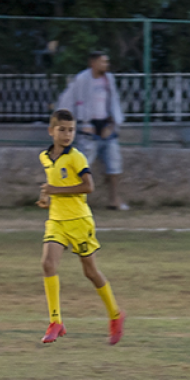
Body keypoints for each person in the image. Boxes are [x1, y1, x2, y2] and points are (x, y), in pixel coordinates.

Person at [37, 108, 125, 345]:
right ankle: (55, 322)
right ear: (51, 131)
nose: (67, 135)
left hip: (79, 222)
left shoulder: (76, 157)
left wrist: (55, 191)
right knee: (47, 264)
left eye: (71, 130)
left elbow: (88, 187)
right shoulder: (44, 157)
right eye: (62, 130)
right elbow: (54, 182)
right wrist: (46, 197)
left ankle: (115, 315)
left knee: (90, 272)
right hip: (56, 221)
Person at [56, 51, 127, 210]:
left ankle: (114, 199)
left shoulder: (108, 80)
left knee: (114, 166)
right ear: (93, 63)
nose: (106, 65)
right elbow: (68, 102)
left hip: (107, 127)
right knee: (82, 168)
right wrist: (78, 123)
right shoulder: (82, 80)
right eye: (103, 62)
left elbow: (113, 102)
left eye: (106, 62)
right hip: (88, 129)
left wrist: (112, 124)